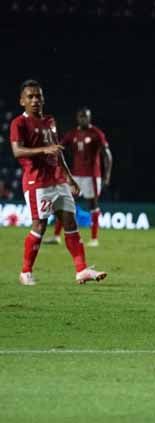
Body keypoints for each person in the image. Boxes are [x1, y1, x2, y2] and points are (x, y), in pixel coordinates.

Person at [9, 79, 107, 286]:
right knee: (40, 225)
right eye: (30, 96)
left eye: (38, 96)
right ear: (22, 101)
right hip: (37, 183)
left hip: (58, 180)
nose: (35, 100)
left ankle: (81, 270)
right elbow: (17, 151)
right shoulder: (19, 123)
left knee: (71, 223)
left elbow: (57, 153)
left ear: (43, 99)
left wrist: (70, 178)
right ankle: (25, 272)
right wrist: (44, 150)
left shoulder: (50, 121)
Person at [46, 107, 113, 247]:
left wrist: (107, 175)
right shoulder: (73, 133)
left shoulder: (96, 133)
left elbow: (107, 155)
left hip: (92, 176)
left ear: (90, 118)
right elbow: (60, 147)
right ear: (77, 118)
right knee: (65, 203)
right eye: (81, 116)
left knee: (93, 205)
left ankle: (94, 239)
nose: (83, 119)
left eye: (86, 116)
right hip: (75, 176)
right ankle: (56, 236)